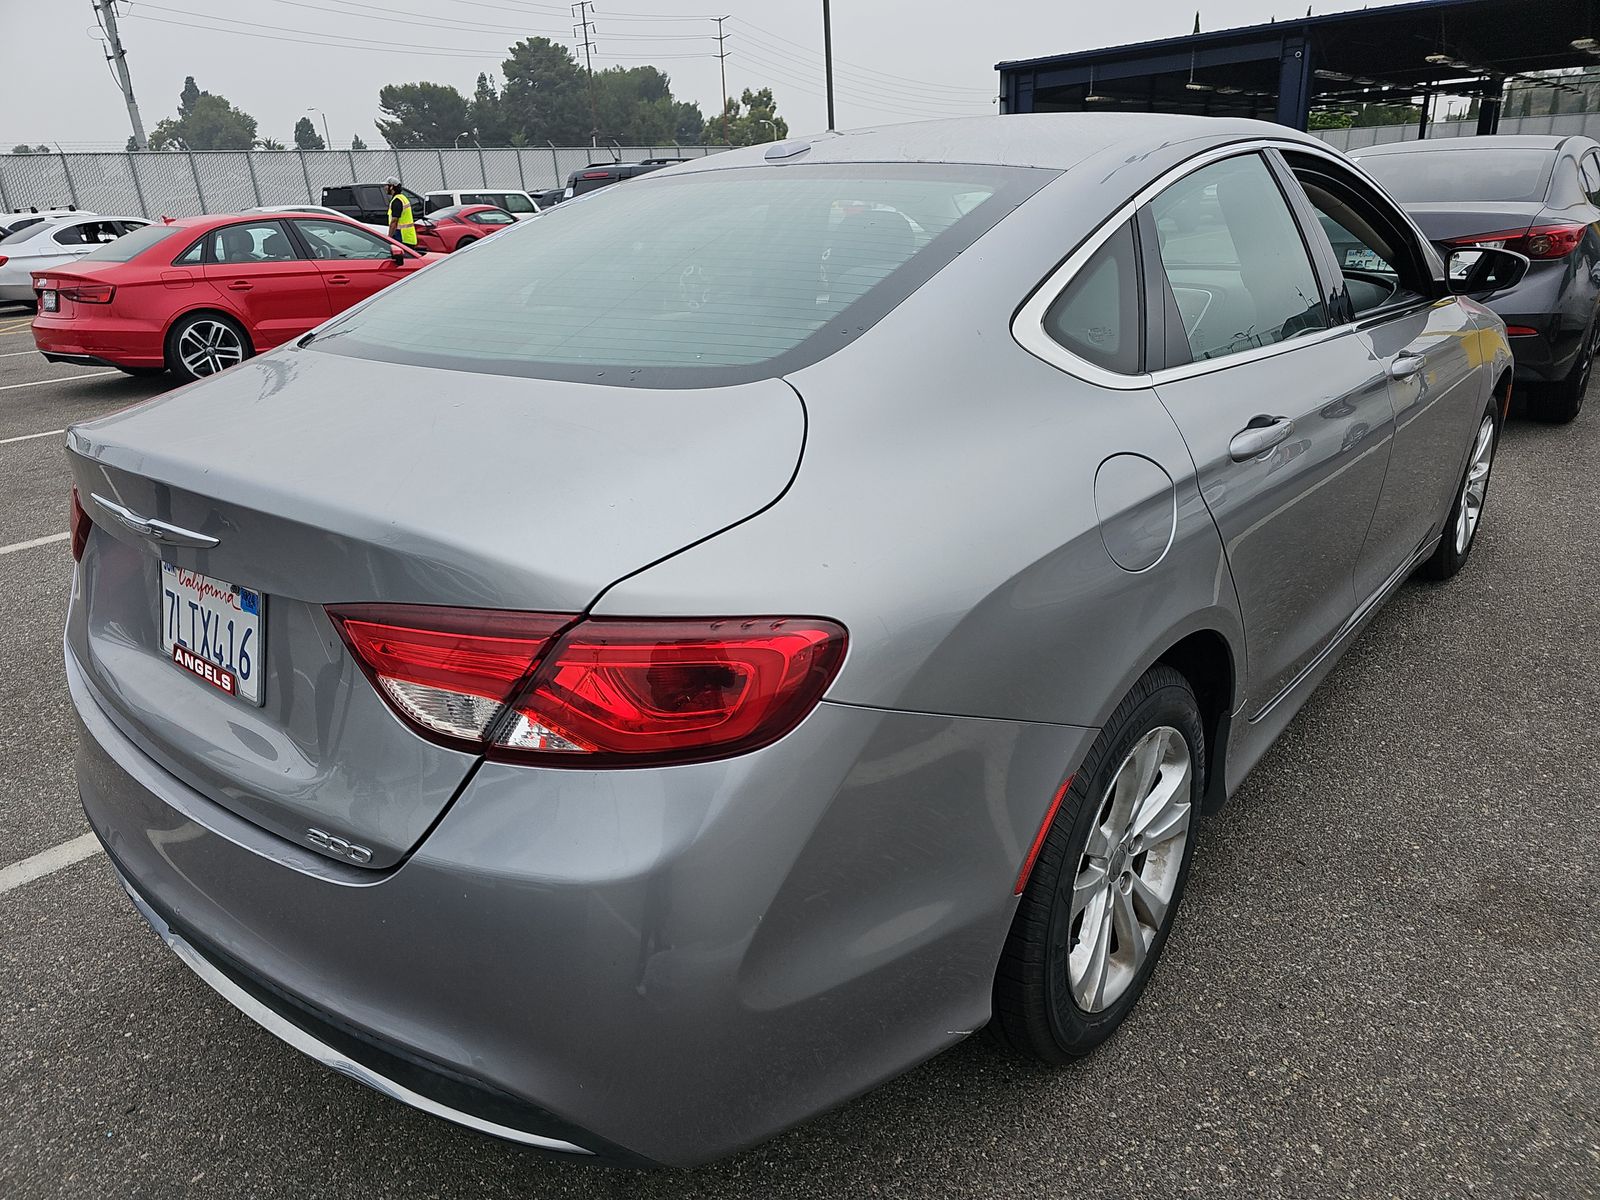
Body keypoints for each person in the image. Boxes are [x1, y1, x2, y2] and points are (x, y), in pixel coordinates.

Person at [385, 176, 417, 247]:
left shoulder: (397, 201)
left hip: (402, 237)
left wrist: (389, 238)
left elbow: (394, 221)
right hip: (408, 237)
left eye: (387, 185)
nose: (385, 188)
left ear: (392, 187)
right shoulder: (402, 198)